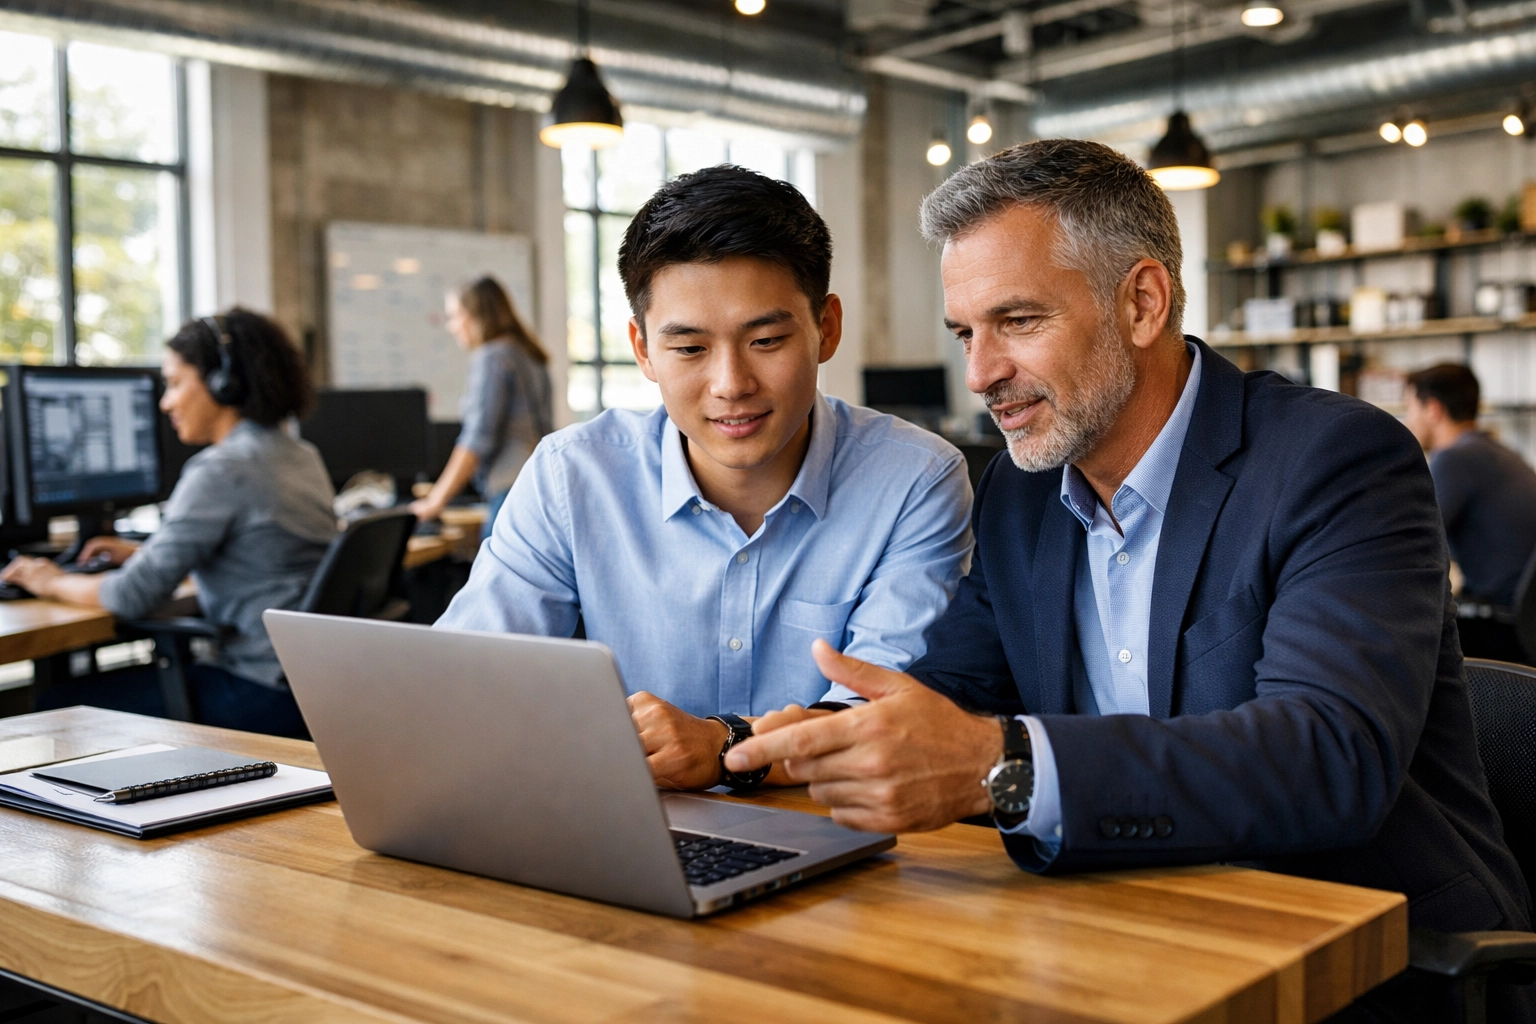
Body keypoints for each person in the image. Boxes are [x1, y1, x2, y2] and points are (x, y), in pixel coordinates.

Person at [723, 140, 1532, 1020]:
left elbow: (1329, 756)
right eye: (966, 332)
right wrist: (745, 746)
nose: (980, 373)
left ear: (1142, 302)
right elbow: (936, 702)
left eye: (1019, 322)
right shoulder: (1019, 496)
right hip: (1134, 935)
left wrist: (1008, 768)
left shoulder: (1336, 459)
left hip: (1372, 967)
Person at [437, 165, 972, 791]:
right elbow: (468, 682)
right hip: (627, 836)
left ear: (825, 328)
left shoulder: (915, 480)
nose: (731, 385)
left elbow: (886, 719)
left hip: (838, 838)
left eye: (767, 339)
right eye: (690, 349)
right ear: (642, 350)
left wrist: (725, 745)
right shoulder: (572, 477)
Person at [1, 309, 336, 738]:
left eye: (176, 383)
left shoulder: (222, 468)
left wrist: (48, 581)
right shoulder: (298, 454)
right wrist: (146, 554)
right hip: (307, 686)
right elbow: (258, 558)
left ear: (223, 382)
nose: (165, 402)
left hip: (258, 692)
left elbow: (129, 595)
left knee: (57, 706)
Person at [1404, 362, 1536, 661]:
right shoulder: (1500, 452)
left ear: (1433, 410)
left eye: (1410, 408)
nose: (1408, 421)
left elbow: (1409, 542)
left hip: (1500, 630)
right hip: (1523, 624)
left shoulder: (1454, 459)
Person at [410, 276, 553, 537]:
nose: (452, 327)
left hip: (509, 490)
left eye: (455, 316)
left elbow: (478, 438)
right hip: (540, 486)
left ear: (475, 315)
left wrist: (435, 500)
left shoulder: (493, 356)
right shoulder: (530, 354)